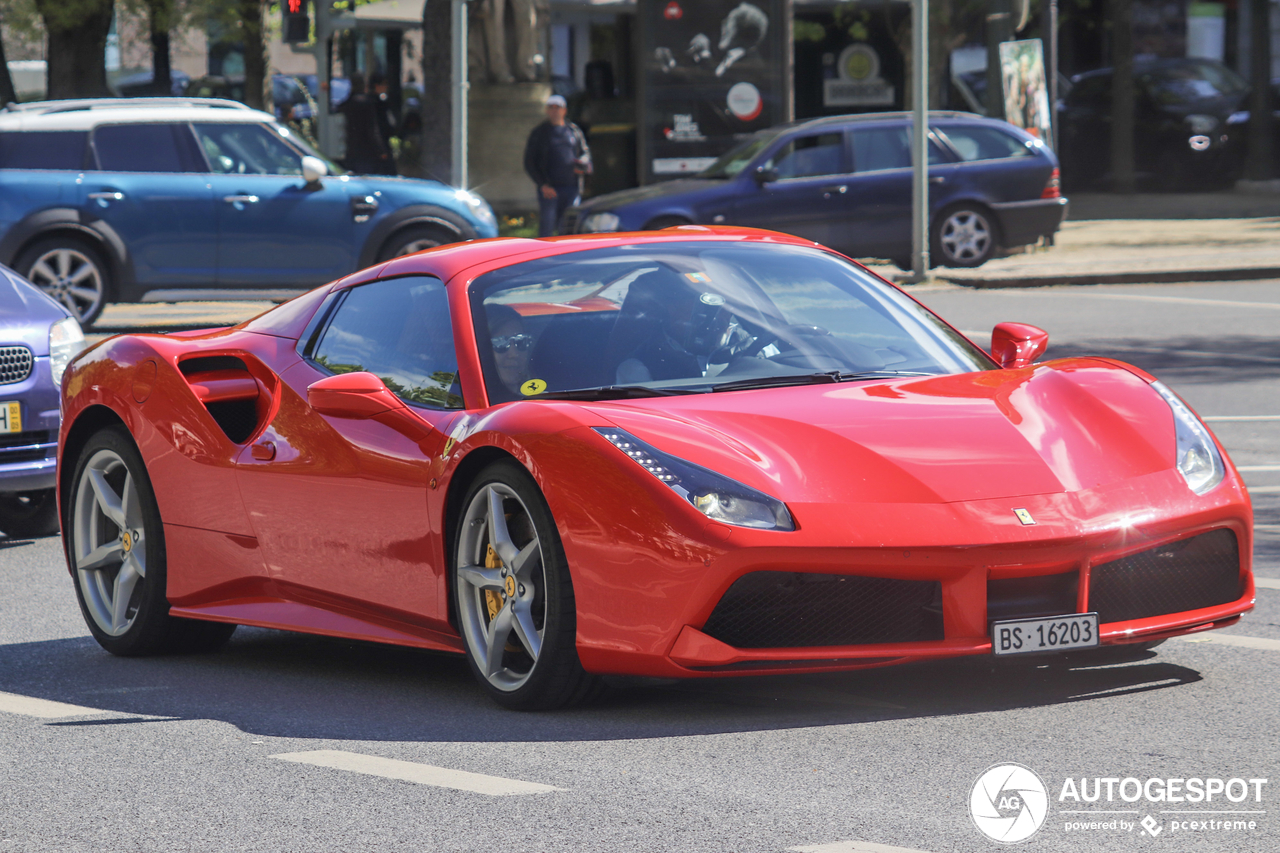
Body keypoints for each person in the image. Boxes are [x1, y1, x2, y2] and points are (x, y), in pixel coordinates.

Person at [523, 94, 592, 237]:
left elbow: (584, 152)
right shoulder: (539, 133)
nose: (555, 111)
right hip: (550, 190)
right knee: (547, 228)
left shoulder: (573, 131)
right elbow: (529, 162)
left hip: (571, 187)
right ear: (547, 111)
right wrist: (543, 184)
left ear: (564, 111)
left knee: (569, 227)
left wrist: (582, 164)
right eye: (551, 108)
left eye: (558, 108)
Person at [339, 72, 393, 175]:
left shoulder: (348, 104)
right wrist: (381, 150)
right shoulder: (367, 103)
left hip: (351, 150)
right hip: (368, 153)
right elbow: (372, 129)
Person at [487, 303, 534, 396]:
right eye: (500, 343)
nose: (514, 354)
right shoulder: (463, 402)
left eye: (521, 341)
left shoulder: (548, 397)